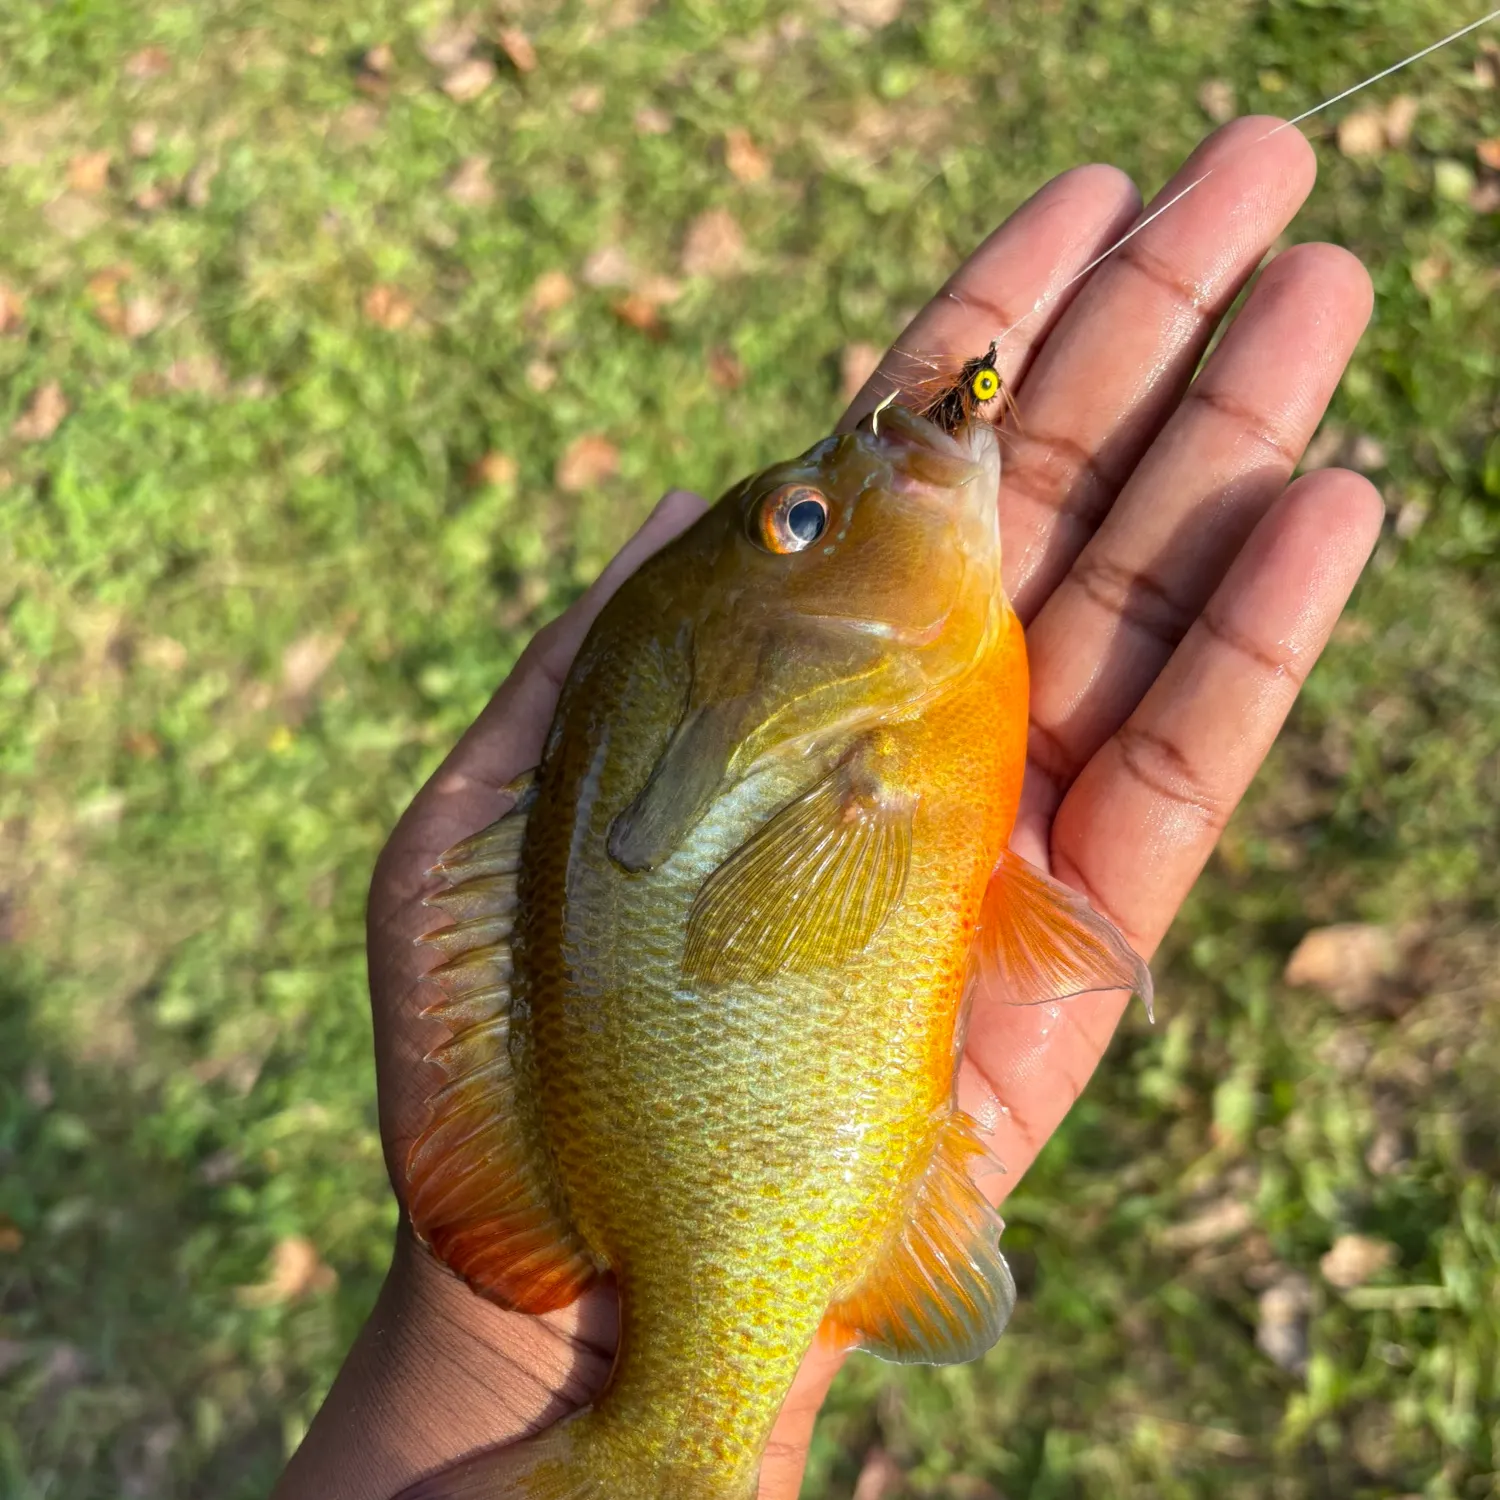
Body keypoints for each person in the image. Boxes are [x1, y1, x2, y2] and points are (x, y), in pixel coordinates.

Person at [274, 117, 1382, 1500]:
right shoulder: (908, 709)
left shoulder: (906, 699)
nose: (847, 480)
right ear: (737, 655)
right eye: (800, 523)